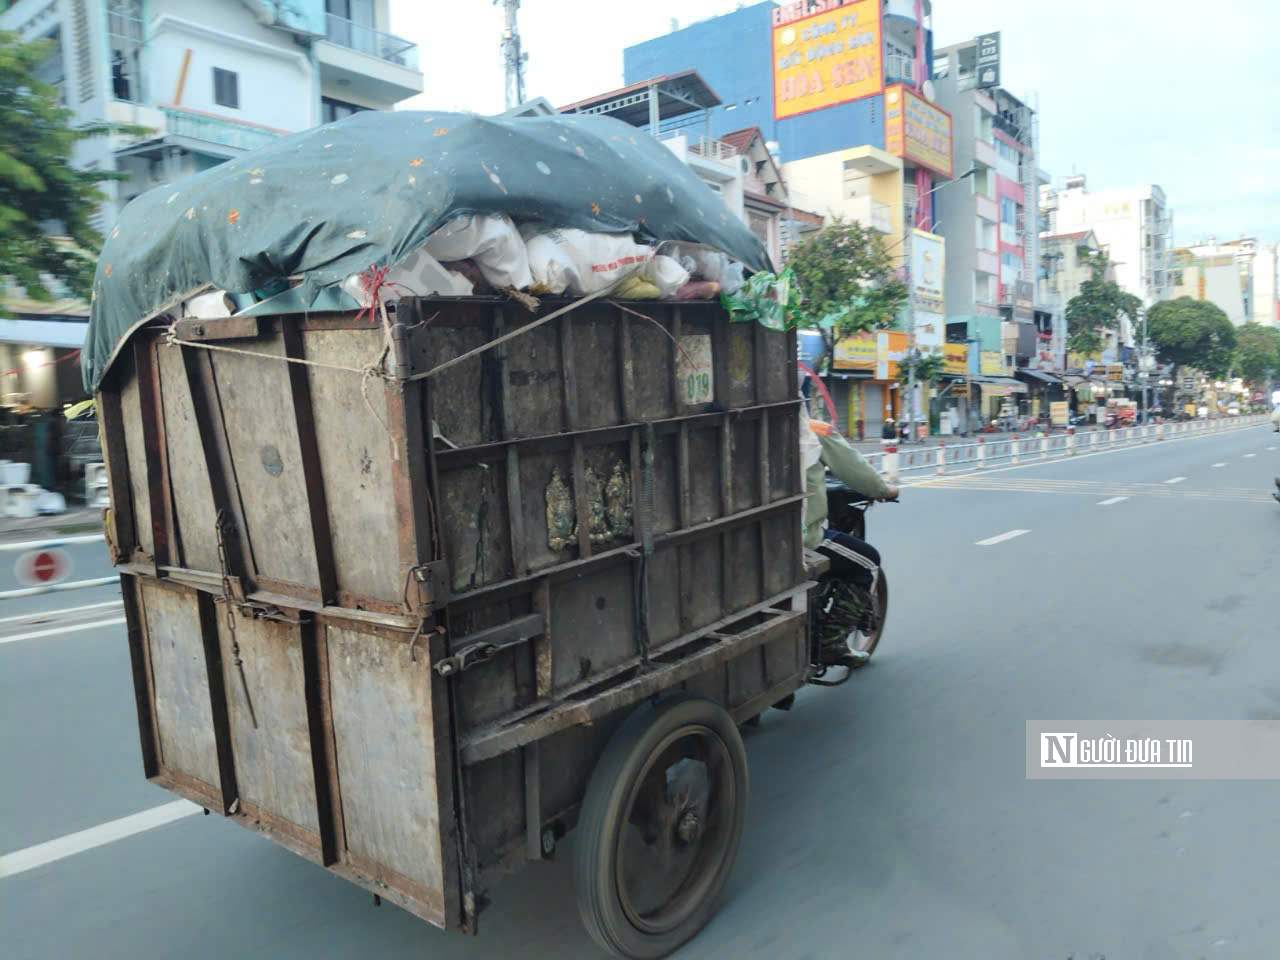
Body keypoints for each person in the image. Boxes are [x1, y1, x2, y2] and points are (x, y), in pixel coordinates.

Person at [801, 405, 898, 670]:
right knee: (868, 560)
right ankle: (832, 643)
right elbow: (857, 471)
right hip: (800, 539)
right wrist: (884, 489)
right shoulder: (813, 430)